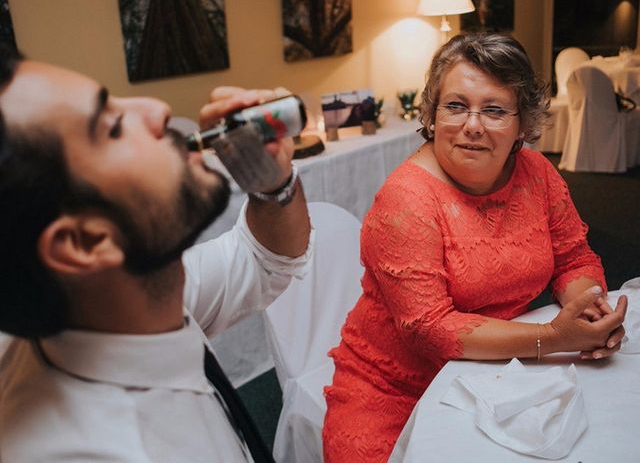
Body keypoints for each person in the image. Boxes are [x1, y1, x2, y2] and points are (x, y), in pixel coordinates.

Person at [322, 33, 628, 462]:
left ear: (524, 122)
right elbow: (432, 329)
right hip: (396, 392)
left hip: (501, 374)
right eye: (456, 105)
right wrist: (553, 337)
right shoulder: (407, 199)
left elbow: (572, 256)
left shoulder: (536, 172)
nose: (472, 125)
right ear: (431, 115)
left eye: (495, 110)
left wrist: (587, 306)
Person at [0, 46, 312, 462]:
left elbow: (265, 260)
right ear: (85, 243)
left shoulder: (120, 306)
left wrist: (271, 183)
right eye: (112, 127)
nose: (157, 109)